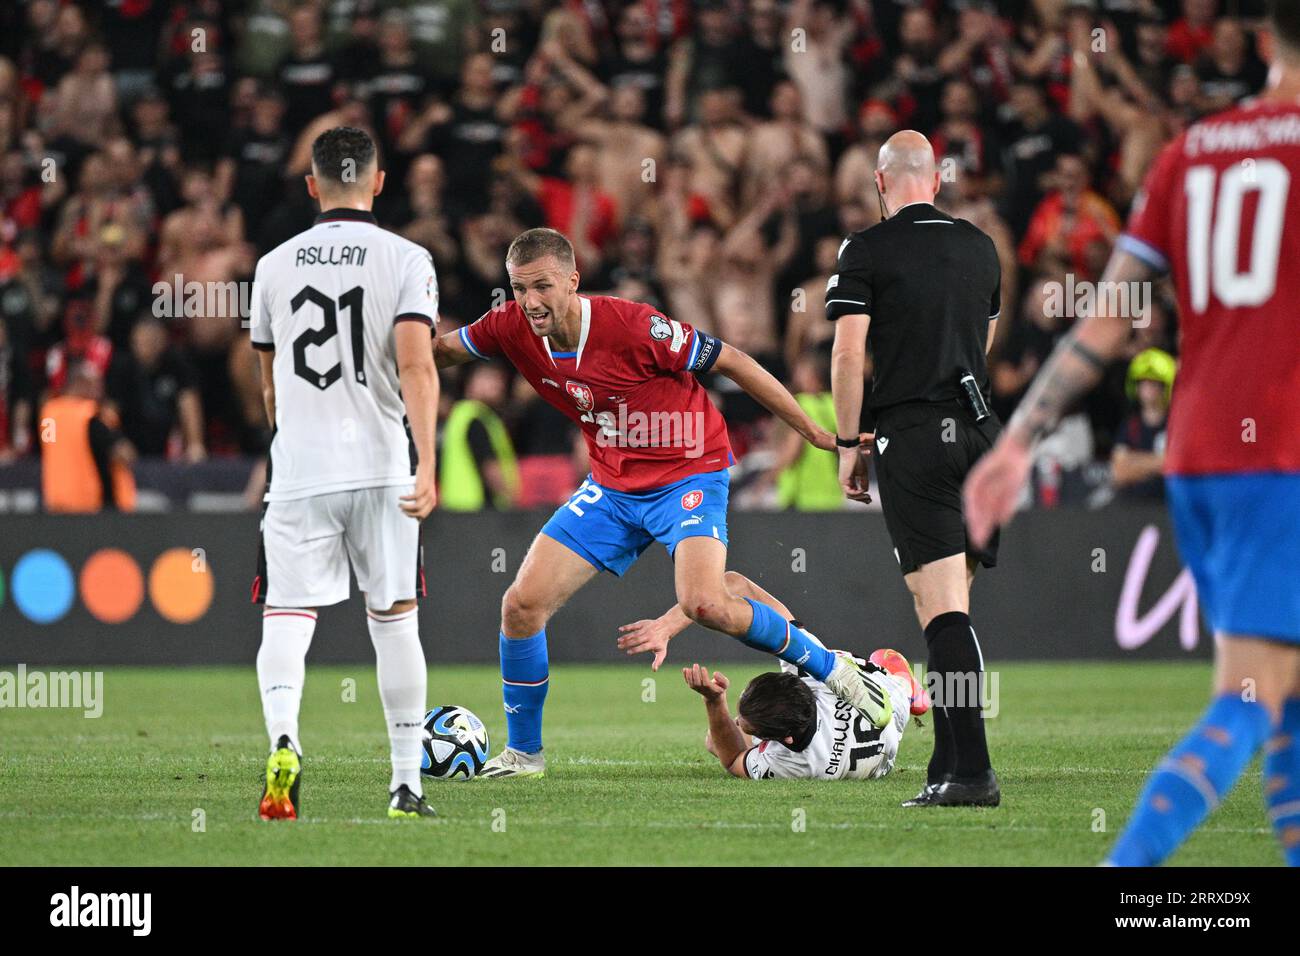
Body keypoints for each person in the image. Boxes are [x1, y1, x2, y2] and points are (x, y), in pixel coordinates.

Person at [964, 0, 1300, 867]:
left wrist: (1016, 441)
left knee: (1284, 690)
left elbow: (1107, 316)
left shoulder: (1191, 153)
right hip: (1279, 455)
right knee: (1249, 696)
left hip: (1200, 452)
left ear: (1266, 40)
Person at [433, 226, 895, 779]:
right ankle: (525, 754)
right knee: (520, 606)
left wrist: (817, 434)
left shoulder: (633, 325)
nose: (529, 301)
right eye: (517, 289)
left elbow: (734, 362)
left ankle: (838, 672)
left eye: (542, 286)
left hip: (689, 475)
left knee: (705, 603)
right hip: (612, 486)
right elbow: (436, 351)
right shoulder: (510, 326)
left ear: (572, 281)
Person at [247, 126, 440, 821]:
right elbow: (417, 364)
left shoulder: (272, 266)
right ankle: (404, 784)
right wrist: (429, 461)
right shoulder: (408, 258)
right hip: (383, 466)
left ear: (312, 185)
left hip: (301, 467)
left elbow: (267, 386)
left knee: (286, 619)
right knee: (393, 623)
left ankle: (285, 740)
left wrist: (290, 438)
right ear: (380, 181)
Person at [827, 130, 1003, 807]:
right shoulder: (981, 248)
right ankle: (949, 763)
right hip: (981, 435)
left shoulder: (866, 250)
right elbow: (980, 348)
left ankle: (972, 774)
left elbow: (847, 357)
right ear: (936, 180)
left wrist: (849, 443)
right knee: (954, 608)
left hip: (917, 434)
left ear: (880, 182)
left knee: (939, 615)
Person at [625, 570, 926, 781]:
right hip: (890, 704)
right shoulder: (807, 664)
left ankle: (911, 686)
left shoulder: (791, 764)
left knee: (713, 740)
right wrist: (665, 625)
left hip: (881, 749)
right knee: (885, 663)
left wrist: (715, 701)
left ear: (785, 739)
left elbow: (730, 759)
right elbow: (735, 584)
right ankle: (912, 688)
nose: (740, 721)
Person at [1111, 348, 1175, 502]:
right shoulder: (1130, 426)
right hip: (1134, 507)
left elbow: (1178, 465)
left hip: (1167, 505)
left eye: (1155, 383)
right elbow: (1119, 472)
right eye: (1143, 383)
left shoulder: (1176, 426)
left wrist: (1135, 462)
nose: (1149, 388)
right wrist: (1160, 462)